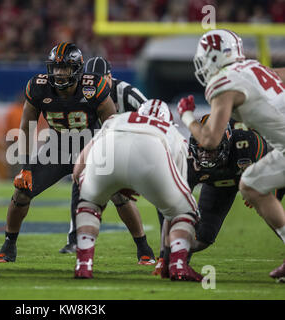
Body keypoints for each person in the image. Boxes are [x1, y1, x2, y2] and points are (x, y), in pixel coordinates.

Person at [0, 42, 117, 263]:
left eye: (65, 68)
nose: (58, 73)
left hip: (90, 148)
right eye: (56, 67)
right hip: (56, 150)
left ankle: (143, 249)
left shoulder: (92, 86)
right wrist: (25, 168)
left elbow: (113, 126)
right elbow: (27, 127)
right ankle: (8, 245)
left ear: (76, 69)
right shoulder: (39, 86)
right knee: (21, 192)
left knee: (121, 195)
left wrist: (115, 164)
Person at [177, 29, 285, 282]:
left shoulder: (224, 83)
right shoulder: (255, 68)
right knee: (253, 184)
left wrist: (187, 116)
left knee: (252, 185)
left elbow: (210, 141)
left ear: (213, 57)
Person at [72, 99, 202, 281]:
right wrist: (164, 256)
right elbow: (173, 212)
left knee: (89, 204)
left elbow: (79, 168)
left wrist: (95, 191)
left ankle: (83, 264)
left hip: (108, 147)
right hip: (151, 150)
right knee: (185, 210)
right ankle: (178, 265)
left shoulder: (118, 119)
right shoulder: (173, 132)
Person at [153, 115, 285, 275]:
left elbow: (275, 160)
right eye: (200, 148)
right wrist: (164, 256)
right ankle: (178, 260)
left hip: (264, 171)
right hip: (219, 184)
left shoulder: (246, 143)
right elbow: (171, 209)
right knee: (201, 239)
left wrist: (263, 188)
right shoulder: (188, 161)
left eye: (211, 148)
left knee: (273, 217)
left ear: (226, 143)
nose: (205, 154)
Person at [60, 56, 156, 266]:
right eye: (91, 79)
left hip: (137, 147)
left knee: (151, 196)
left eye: (101, 79)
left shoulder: (127, 93)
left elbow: (153, 117)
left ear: (110, 77)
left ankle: (157, 247)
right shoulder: (85, 92)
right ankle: (75, 239)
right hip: (103, 148)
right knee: (88, 185)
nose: (96, 84)